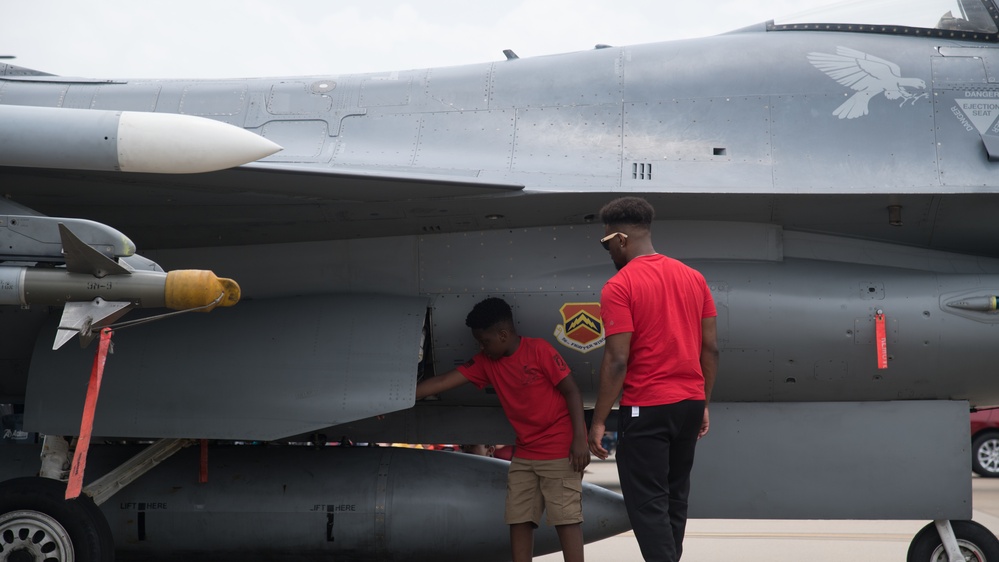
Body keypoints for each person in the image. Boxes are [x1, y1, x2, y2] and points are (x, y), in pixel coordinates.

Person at [587, 197, 719, 562]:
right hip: (690, 403)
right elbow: (710, 351)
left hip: (647, 407)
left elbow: (616, 360)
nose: (607, 249)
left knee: (647, 504)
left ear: (622, 238)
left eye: (606, 242)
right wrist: (703, 401)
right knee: (675, 499)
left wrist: (598, 420)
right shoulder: (694, 278)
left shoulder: (619, 285)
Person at [416, 297, 590, 562]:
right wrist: (399, 397)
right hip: (525, 453)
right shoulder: (486, 363)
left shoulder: (539, 350)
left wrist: (580, 439)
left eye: (484, 341)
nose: (481, 347)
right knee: (519, 519)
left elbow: (572, 392)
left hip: (558, 450)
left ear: (504, 334)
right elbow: (443, 381)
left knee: (566, 519)